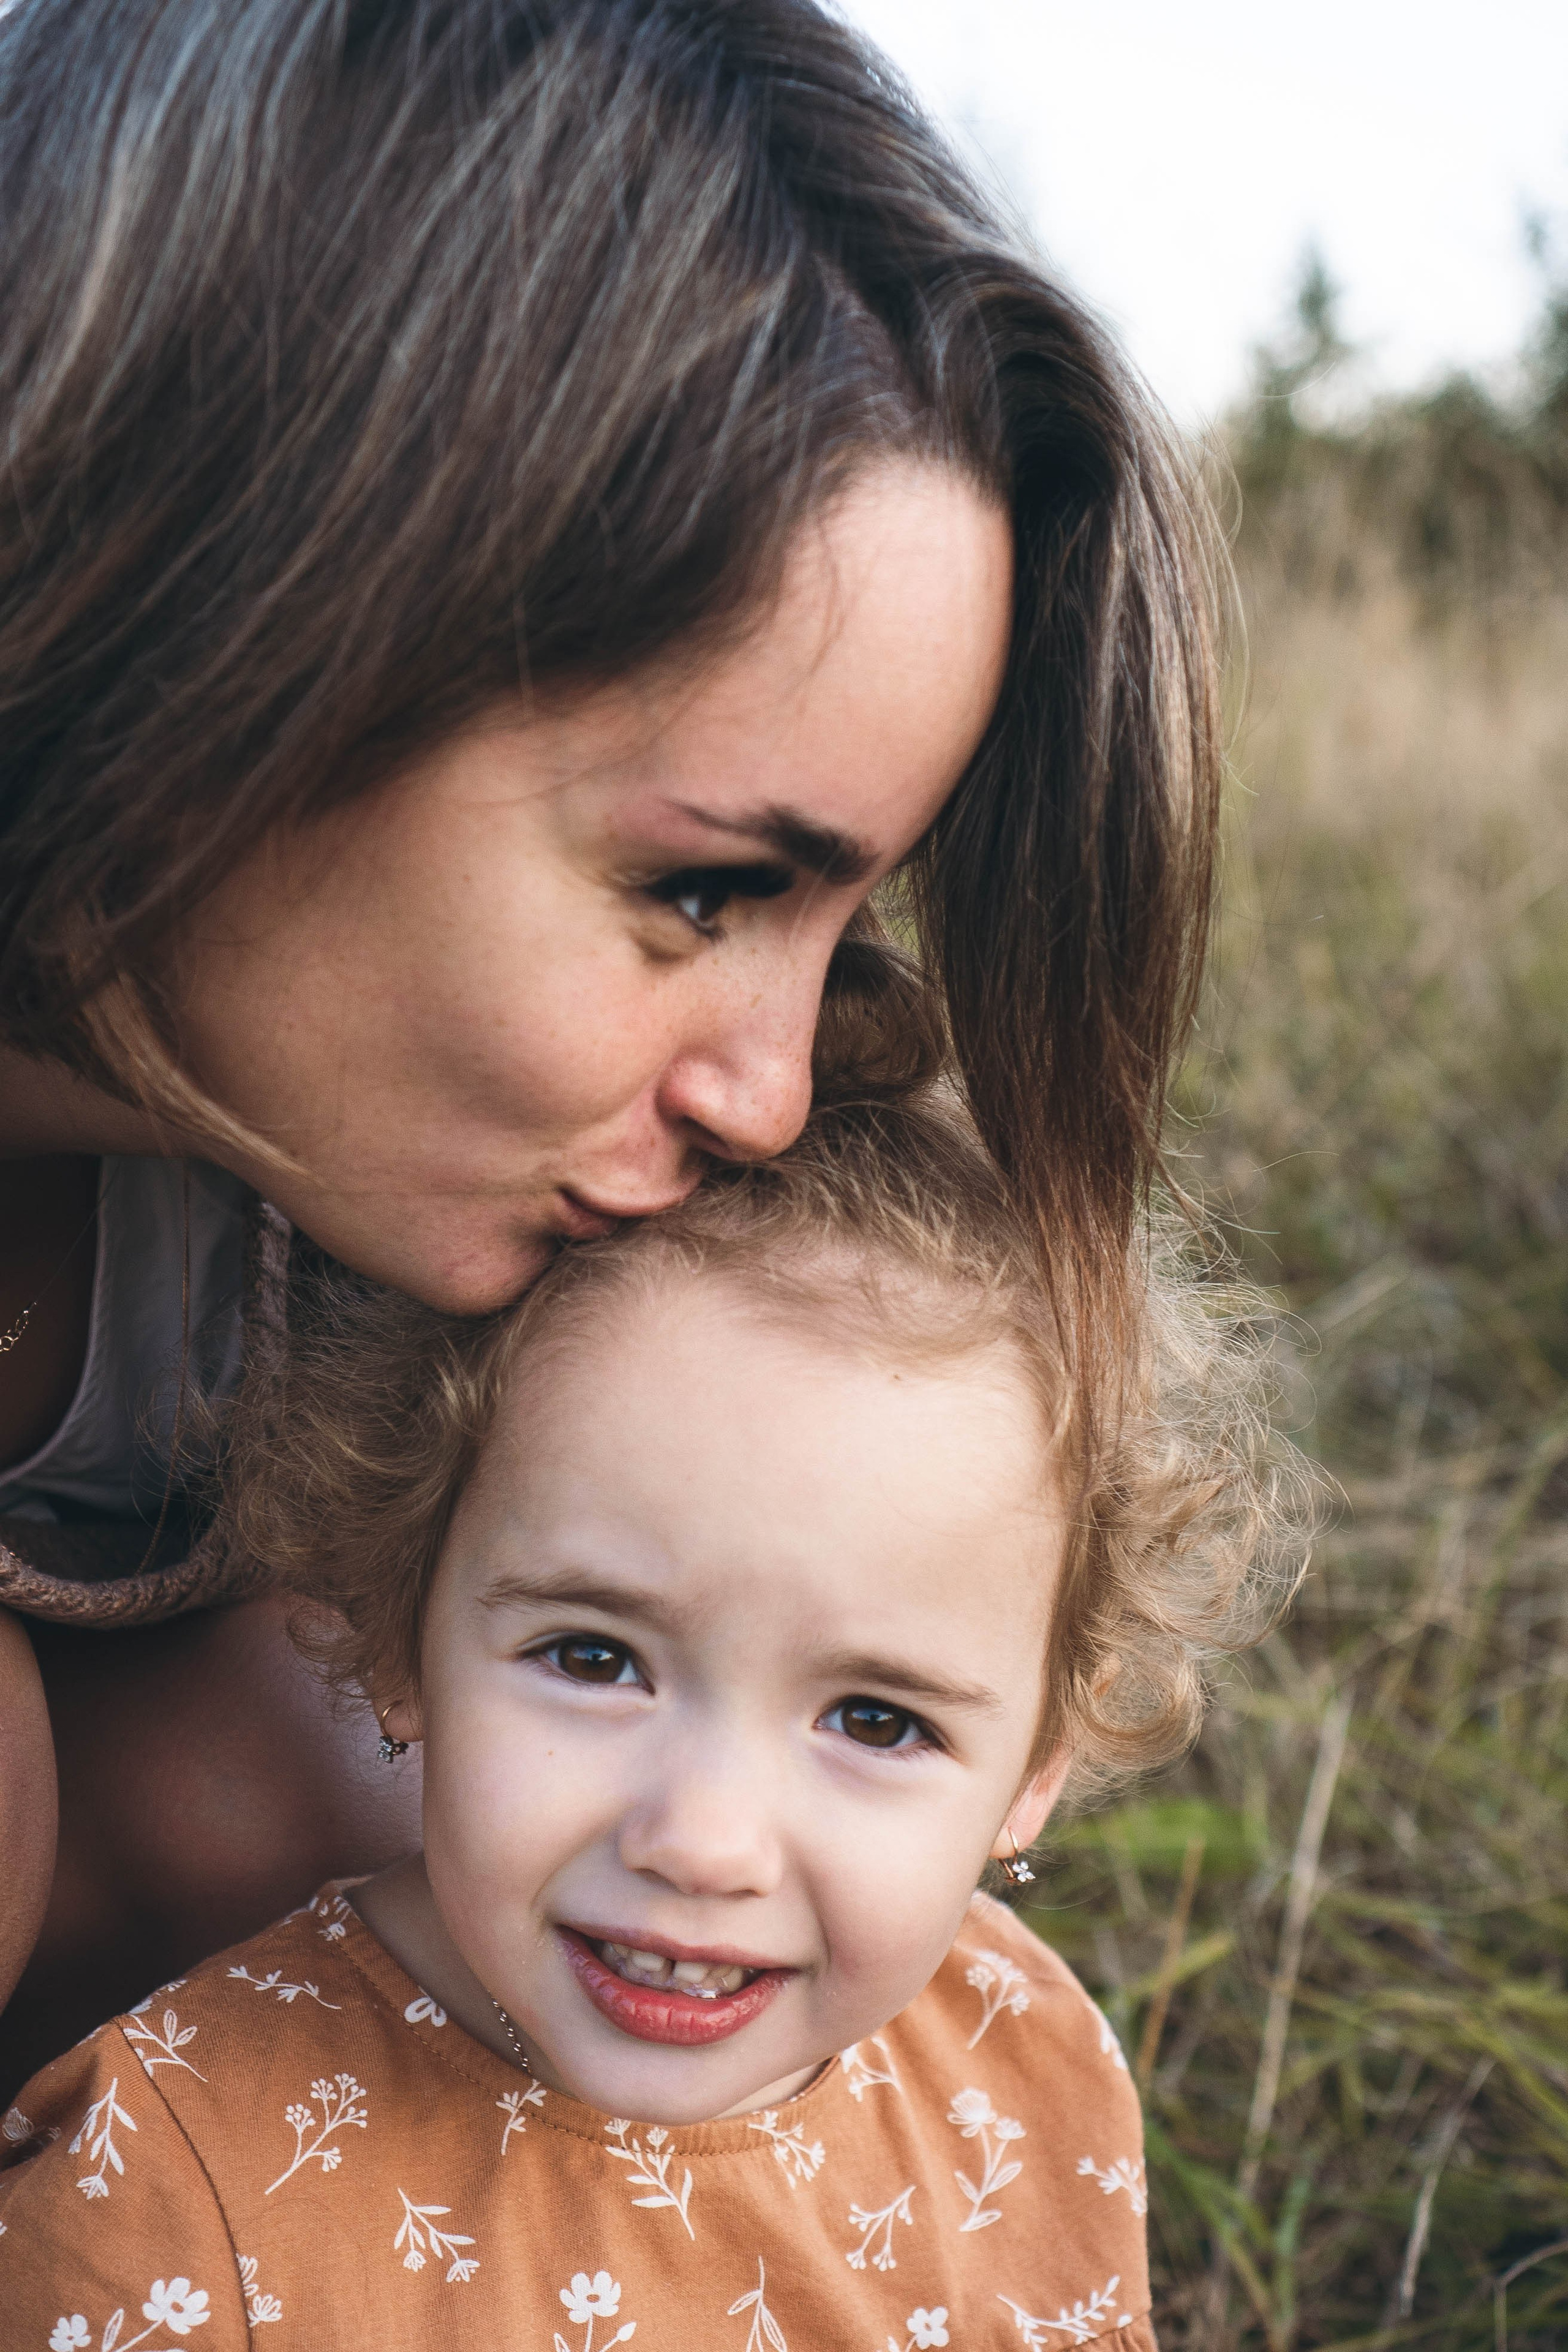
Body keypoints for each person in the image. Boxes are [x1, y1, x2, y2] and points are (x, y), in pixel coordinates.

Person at [0, 0, 1226, 2085]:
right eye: (700, 892)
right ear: (255, 616)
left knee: (443, 1786)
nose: (768, 1091)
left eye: (845, 921)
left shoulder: (360, 1209)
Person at [0, 1084, 1304, 2347]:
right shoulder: (165, 2204)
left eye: (873, 1722)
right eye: (592, 1656)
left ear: (1031, 1771)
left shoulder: (1023, 2069)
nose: (703, 1843)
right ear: (397, 1631)